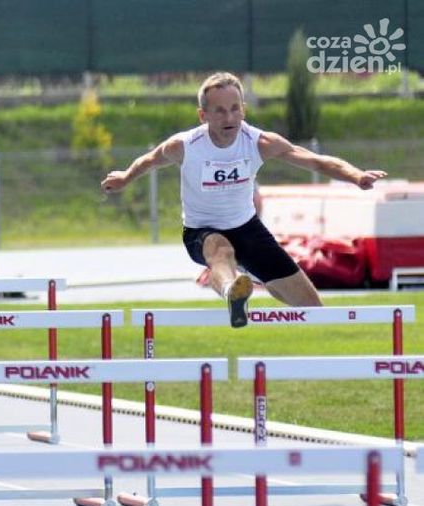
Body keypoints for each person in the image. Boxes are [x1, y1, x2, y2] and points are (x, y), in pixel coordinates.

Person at [101, 71, 386, 328]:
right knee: (220, 250)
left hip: (248, 230)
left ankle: (324, 350)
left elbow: (315, 161)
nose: (229, 118)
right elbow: (150, 160)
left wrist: (356, 175)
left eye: (235, 109)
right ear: (203, 115)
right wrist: (125, 176)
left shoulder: (259, 142)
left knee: (314, 310)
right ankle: (232, 292)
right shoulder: (185, 146)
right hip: (202, 230)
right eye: (220, 111)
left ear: (243, 110)